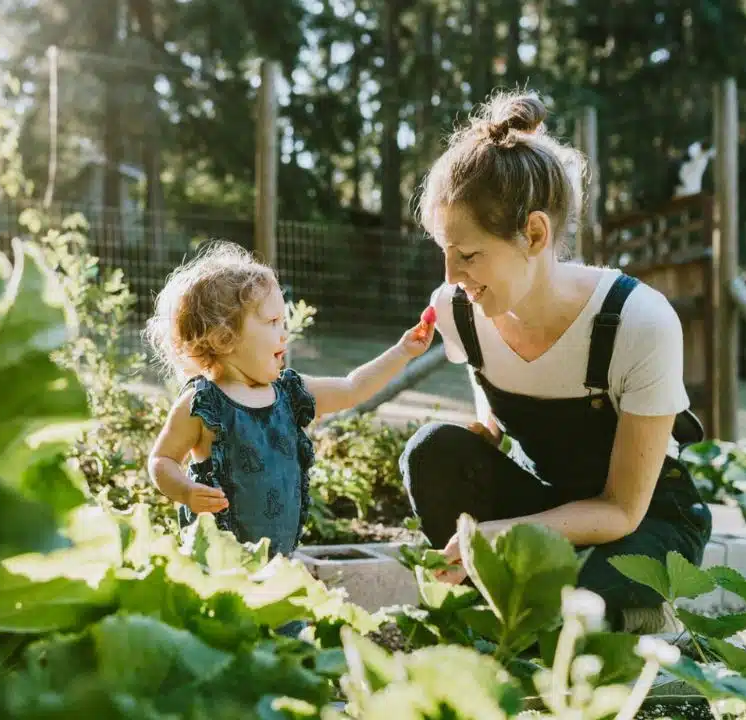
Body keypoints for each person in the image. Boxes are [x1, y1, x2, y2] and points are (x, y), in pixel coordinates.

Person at [401, 90, 713, 634]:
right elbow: (494, 398)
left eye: (469, 255)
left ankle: (643, 621)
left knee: (575, 597)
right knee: (432, 451)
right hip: (550, 503)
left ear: (536, 234)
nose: (451, 276)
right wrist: (486, 438)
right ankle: (510, 613)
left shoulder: (638, 320)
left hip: (642, 523)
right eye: (444, 251)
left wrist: (509, 534)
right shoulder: (459, 309)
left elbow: (621, 510)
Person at [145, 240, 435, 559]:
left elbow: (353, 388)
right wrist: (185, 491)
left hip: (278, 559)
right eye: (272, 322)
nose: (284, 333)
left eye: (284, 322)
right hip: (217, 559)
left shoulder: (289, 393)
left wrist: (402, 352)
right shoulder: (202, 404)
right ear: (223, 338)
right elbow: (162, 460)